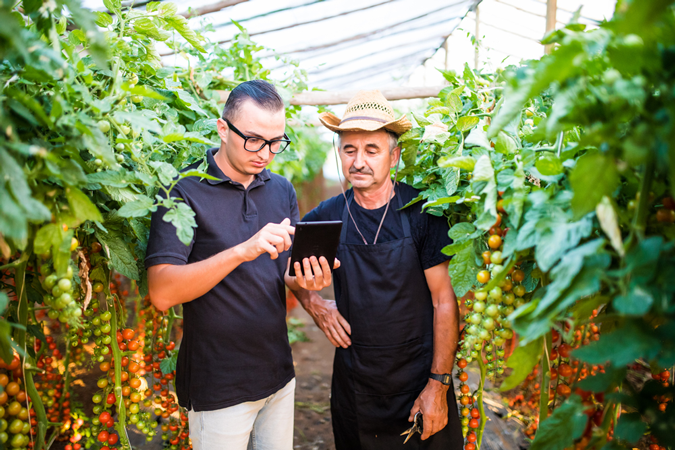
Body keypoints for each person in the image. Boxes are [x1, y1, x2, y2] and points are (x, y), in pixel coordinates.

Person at [145, 79, 335, 450]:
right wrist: (241, 251)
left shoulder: (281, 189)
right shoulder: (182, 191)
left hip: (278, 375)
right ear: (222, 128)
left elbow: (283, 270)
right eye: (253, 140)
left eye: (275, 142)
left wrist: (308, 284)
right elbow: (161, 292)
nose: (264, 153)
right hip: (218, 387)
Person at [289, 90, 463, 449]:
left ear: (394, 156)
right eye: (349, 150)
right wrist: (314, 303)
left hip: (419, 379)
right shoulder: (326, 217)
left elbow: (444, 301)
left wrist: (438, 385)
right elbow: (287, 268)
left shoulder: (422, 214)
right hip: (357, 386)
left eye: (372, 150)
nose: (359, 161)